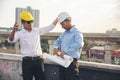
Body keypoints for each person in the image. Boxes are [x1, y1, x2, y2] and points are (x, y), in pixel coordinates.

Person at [8, 11, 58, 80]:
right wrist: (13, 31)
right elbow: (10, 40)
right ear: (23, 23)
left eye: (31, 21)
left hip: (39, 61)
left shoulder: (37, 31)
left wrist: (58, 18)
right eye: (28, 22)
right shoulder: (19, 33)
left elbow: (50, 27)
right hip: (27, 62)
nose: (30, 23)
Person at [53, 12, 84, 80]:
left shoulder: (77, 32)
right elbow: (57, 42)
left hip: (71, 63)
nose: (62, 26)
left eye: (63, 24)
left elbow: (79, 44)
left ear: (68, 20)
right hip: (62, 61)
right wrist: (55, 48)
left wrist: (65, 51)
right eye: (61, 24)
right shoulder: (64, 33)